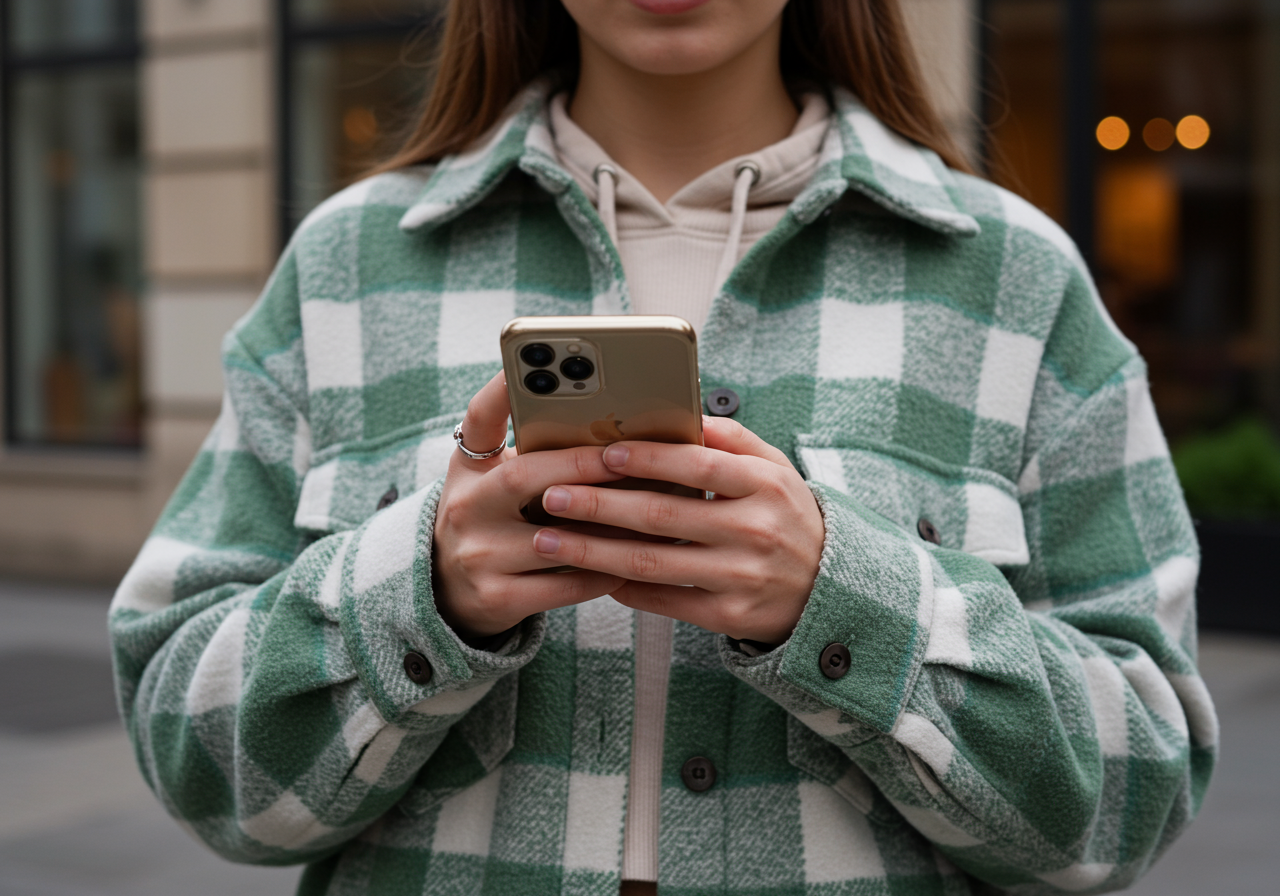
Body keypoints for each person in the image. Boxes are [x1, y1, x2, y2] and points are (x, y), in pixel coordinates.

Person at [109, 1, 1218, 894]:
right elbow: (195, 761)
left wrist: (841, 599)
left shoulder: (1013, 277)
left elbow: (1133, 795)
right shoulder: (347, 266)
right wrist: (424, 587)